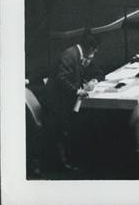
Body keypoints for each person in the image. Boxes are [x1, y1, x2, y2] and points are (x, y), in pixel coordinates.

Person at [43, 28, 101, 171]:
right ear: (90, 48)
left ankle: (72, 158)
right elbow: (62, 78)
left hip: (64, 100)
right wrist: (77, 91)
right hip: (57, 103)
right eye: (95, 50)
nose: (95, 53)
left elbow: (74, 75)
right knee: (69, 128)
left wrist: (90, 80)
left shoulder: (77, 54)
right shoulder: (70, 55)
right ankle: (65, 163)